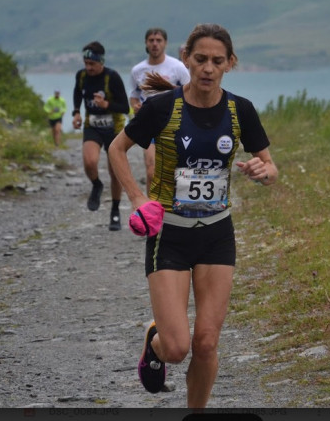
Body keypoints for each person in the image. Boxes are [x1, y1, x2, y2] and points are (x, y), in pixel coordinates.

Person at [108, 23, 278, 408]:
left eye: (218, 61)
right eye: (200, 59)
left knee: (206, 343)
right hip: (168, 234)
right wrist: (136, 198)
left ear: (230, 64)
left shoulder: (240, 111)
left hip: (217, 234)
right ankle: (155, 343)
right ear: (185, 58)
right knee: (177, 347)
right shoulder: (161, 108)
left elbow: (270, 167)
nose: (208, 68)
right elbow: (117, 149)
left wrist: (263, 171)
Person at [72, 41, 130, 231]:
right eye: (86, 63)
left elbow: (124, 107)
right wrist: (76, 113)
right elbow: (77, 94)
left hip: (113, 127)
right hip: (93, 125)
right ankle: (96, 185)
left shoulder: (112, 77)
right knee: (89, 161)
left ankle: (115, 211)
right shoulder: (81, 76)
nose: (88, 68)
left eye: (92, 64)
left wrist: (107, 105)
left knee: (115, 171)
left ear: (101, 62)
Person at [128, 28, 190, 193]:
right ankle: (152, 212)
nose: (155, 44)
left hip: (175, 123)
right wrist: (136, 107)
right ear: (146, 43)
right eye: (151, 40)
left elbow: (191, 92)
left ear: (165, 43)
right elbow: (134, 95)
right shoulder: (137, 70)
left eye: (158, 40)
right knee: (151, 171)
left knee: (177, 169)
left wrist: (169, 88)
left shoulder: (177, 67)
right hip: (150, 124)